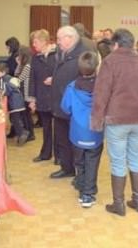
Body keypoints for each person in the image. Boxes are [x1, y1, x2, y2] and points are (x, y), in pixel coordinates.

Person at [91, 28, 138, 216]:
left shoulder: (110, 62)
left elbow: (101, 94)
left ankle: (119, 205)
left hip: (117, 119)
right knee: (135, 158)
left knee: (118, 162)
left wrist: (97, 120)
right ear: (132, 43)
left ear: (115, 44)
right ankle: (137, 200)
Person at [61, 51, 103, 208]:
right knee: (92, 161)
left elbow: (65, 107)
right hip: (95, 131)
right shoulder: (102, 86)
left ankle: (81, 188)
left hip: (77, 132)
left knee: (80, 162)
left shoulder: (71, 87)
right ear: (97, 67)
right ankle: (88, 193)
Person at [50, 26, 88, 179]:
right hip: (60, 104)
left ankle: (79, 171)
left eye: (60, 39)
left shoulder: (82, 55)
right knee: (62, 138)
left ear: (70, 38)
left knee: (75, 140)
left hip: (74, 106)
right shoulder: (64, 53)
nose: (57, 42)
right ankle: (66, 168)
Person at [28, 29, 58, 163]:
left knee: (59, 129)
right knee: (46, 127)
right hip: (42, 97)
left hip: (56, 96)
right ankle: (45, 153)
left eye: (35, 42)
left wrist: (55, 79)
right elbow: (32, 79)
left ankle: (60, 156)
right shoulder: (35, 58)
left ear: (44, 41)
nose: (33, 45)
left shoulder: (58, 55)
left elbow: (65, 74)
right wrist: (32, 99)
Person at [0, 64, 30, 146]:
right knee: (16, 119)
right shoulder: (9, 77)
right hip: (19, 101)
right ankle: (22, 132)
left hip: (14, 103)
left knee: (15, 119)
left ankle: (22, 133)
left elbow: (4, 91)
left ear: (2, 72)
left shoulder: (3, 79)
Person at [15, 45, 35, 142]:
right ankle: (30, 133)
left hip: (26, 93)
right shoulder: (27, 65)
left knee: (26, 115)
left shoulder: (27, 66)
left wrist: (18, 64)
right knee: (26, 115)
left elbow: (19, 78)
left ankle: (30, 134)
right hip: (25, 92)